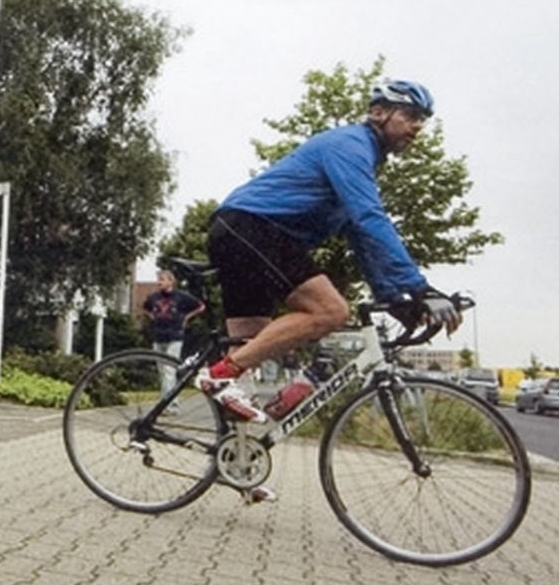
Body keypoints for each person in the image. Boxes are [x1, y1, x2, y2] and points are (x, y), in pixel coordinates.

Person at [197, 79, 462, 437]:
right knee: (331, 311)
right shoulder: (350, 146)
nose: (417, 126)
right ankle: (216, 377)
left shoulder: (364, 159)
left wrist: (392, 295)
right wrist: (419, 286)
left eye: (423, 120)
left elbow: (360, 236)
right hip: (251, 227)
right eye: (411, 115)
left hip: (244, 233)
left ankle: (238, 465)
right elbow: (370, 217)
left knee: (250, 350)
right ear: (379, 113)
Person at [142, 268, 205, 397]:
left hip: (175, 336)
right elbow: (145, 307)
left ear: (171, 281)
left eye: (162, 279)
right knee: (162, 372)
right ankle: (166, 401)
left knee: (169, 370)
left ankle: (169, 405)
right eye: (158, 279)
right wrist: (152, 316)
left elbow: (200, 306)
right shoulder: (154, 297)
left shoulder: (181, 296)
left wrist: (187, 317)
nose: (159, 282)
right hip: (158, 337)